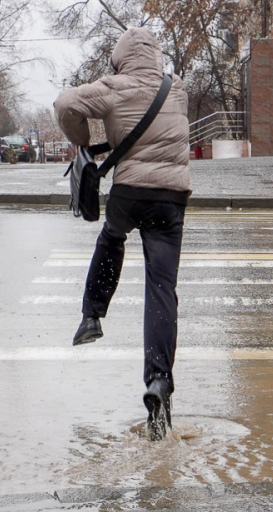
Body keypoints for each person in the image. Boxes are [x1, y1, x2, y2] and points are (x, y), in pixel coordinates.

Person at [53, 27, 191, 441]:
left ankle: (92, 315)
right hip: (171, 200)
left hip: (130, 193)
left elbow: (64, 104)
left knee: (112, 237)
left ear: (120, 61)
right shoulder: (178, 89)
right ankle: (158, 381)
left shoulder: (115, 86)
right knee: (161, 288)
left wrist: (83, 143)